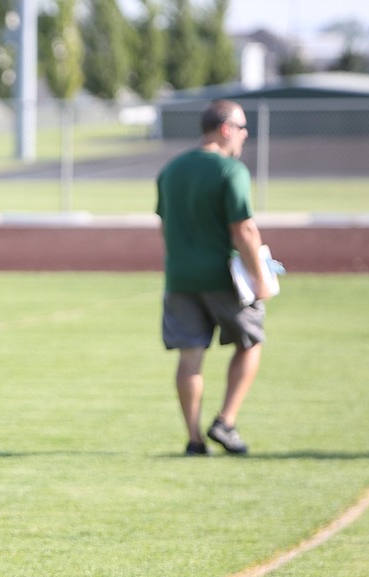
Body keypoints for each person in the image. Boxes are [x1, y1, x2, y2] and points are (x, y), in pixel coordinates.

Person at [155, 99, 272, 456]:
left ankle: (193, 439)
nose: (244, 136)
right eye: (241, 128)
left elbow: (165, 225)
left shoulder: (171, 169)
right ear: (225, 129)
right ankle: (226, 420)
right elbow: (244, 231)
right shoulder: (230, 171)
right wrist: (260, 277)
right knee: (250, 342)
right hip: (224, 279)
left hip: (180, 278)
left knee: (189, 357)